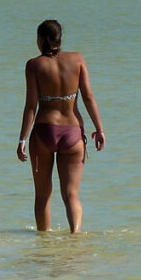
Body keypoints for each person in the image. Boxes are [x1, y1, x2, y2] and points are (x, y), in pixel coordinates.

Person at [17, 19, 105, 233]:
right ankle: (75, 235)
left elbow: (31, 106)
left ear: (40, 39)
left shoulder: (34, 65)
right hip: (73, 133)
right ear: (59, 39)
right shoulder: (78, 60)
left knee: (42, 195)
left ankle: (44, 244)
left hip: (44, 132)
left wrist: (22, 139)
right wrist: (100, 128)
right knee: (71, 194)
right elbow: (88, 97)